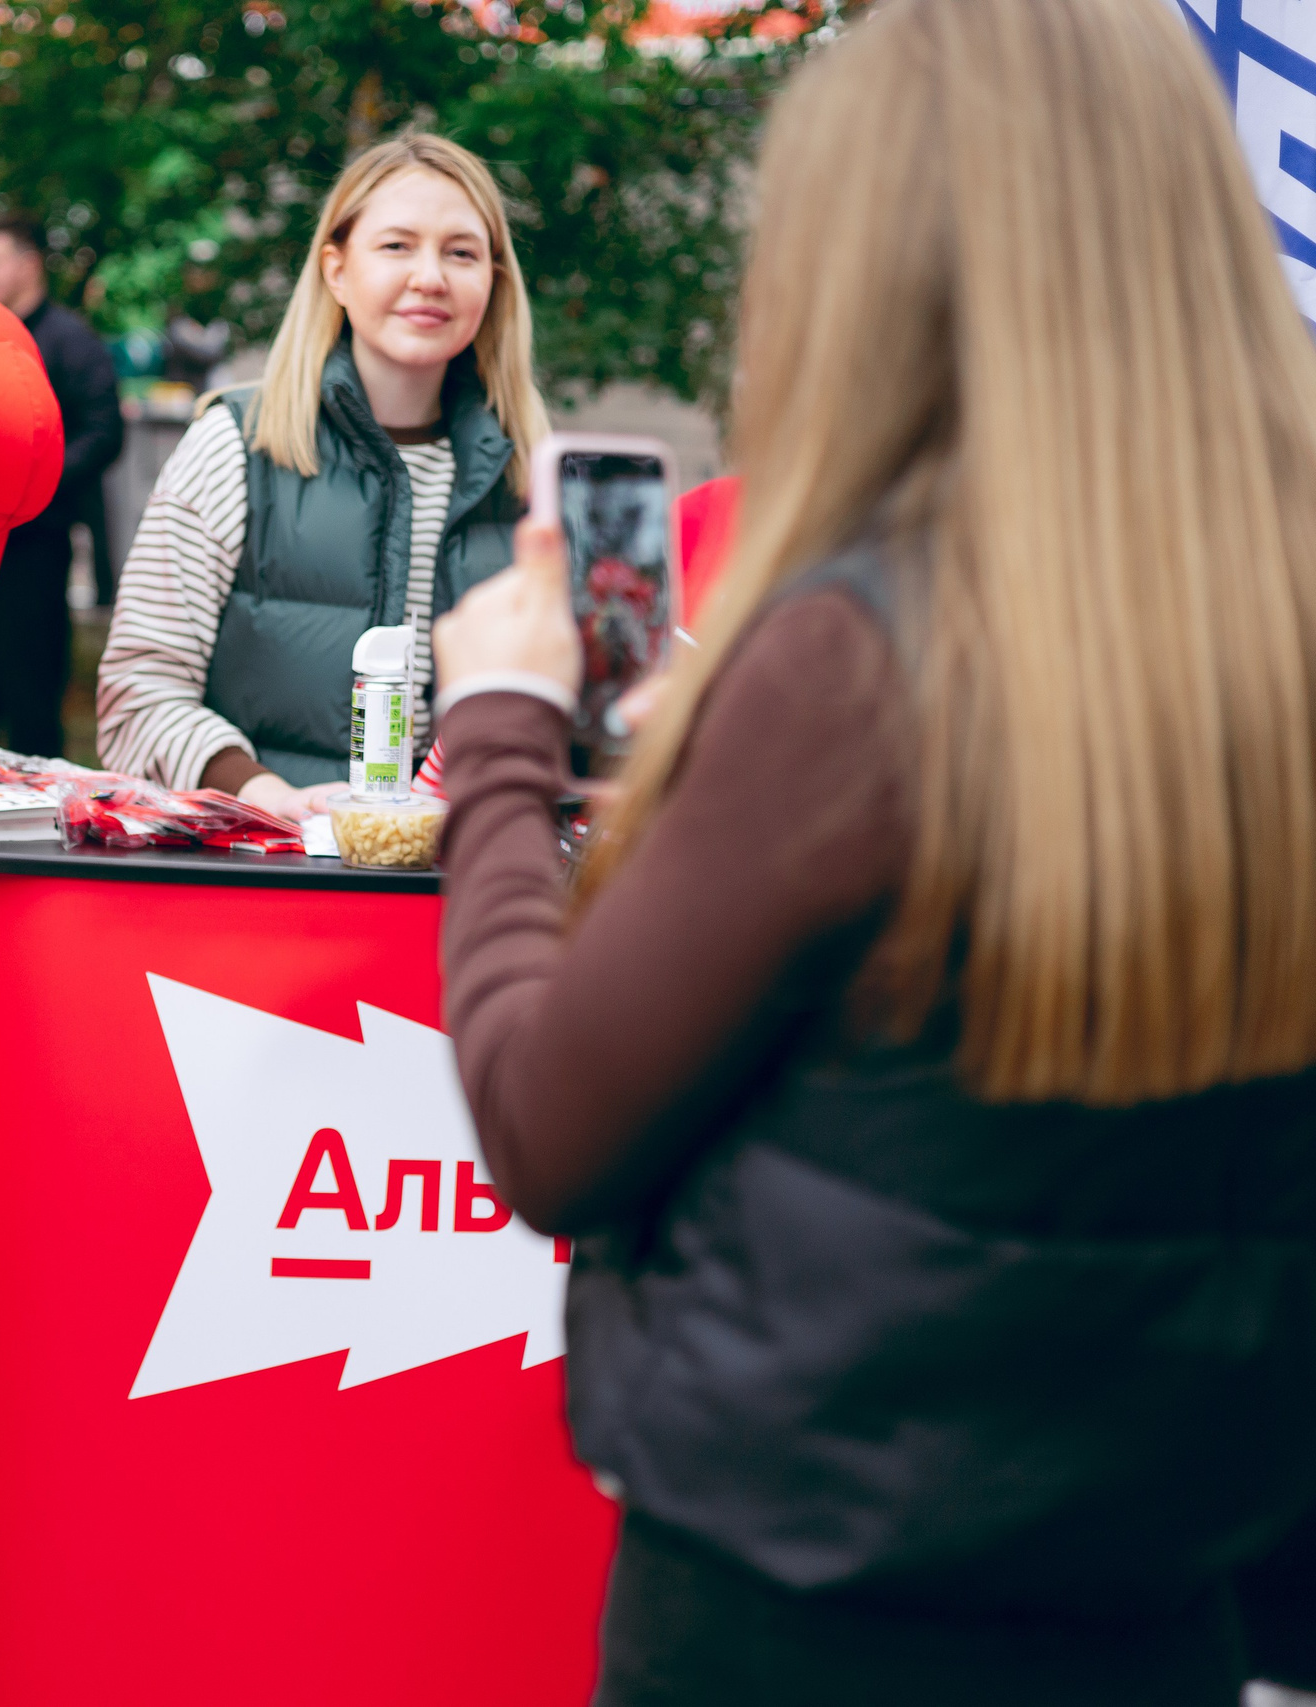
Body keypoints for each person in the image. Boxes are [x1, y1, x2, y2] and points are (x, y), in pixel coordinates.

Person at [429, 1, 1316, 1702]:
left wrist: (502, 733)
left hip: (807, 1599)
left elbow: (549, 1123)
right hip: (1163, 1588)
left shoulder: (858, 664)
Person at [96, 133, 548, 819]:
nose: (431, 276)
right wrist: (266, 795)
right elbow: (138, 696)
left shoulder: (537, 482)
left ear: (493, 280)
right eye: (397, 246)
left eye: (462, 252)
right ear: (336, 270)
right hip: (276, 886)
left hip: (477, 893)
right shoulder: (234, 449)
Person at [0, 216, 124, 761]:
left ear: (28, 263)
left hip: (34, 547)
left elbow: (104, 431)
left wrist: (35, 483)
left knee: (32, 696)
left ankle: (33, 826)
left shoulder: (69, 340)